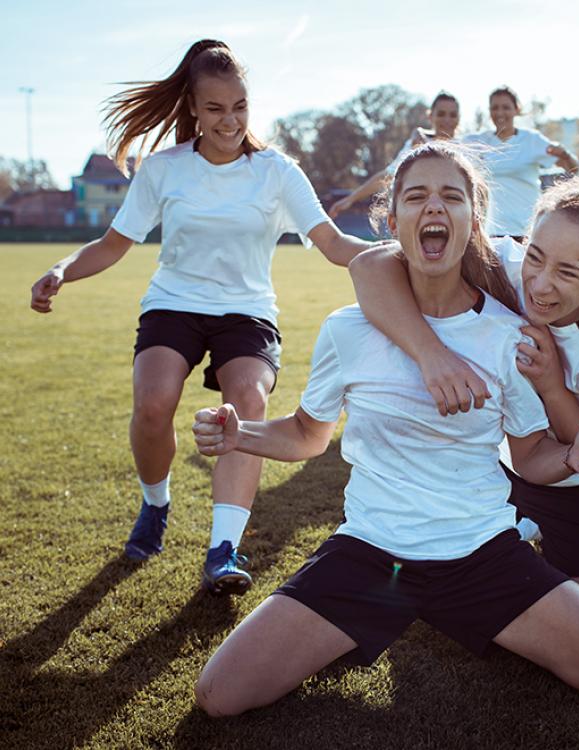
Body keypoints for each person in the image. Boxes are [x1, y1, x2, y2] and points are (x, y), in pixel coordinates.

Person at [190, 142, 579, 716]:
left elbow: (540, 455)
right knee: (219, 694)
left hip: (484, 556)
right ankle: (419, 599)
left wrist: (572, 456)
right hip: (369, 554)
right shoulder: (348, 329)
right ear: (394, 223)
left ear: (474, 220)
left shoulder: (515, 336)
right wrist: (242, 434)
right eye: (416, 196)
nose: (433, 207)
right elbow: (309, 434)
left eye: (451, 196)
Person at [29, 39, 377, 596]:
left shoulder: (277, 172)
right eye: (215, 109)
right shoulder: (165, 170)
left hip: (247, 313)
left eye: (239, 106)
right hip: (174, 304)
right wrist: (62, 270)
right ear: (193, 108)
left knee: (248, 404)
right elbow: (114, 244)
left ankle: (223, 548)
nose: (230, 120)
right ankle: (155, 504)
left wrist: (398, 257)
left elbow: (334, 243)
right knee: (154, 404)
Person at [350, 176, 579, 633]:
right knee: (456, 601)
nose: (540, 285)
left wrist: (551, 386)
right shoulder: (501, 267)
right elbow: (370, 266)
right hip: (498, 470)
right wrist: (433, 356)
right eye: (536, 257)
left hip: (578, 491)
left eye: (568, 272)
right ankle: (522, 534)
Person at [464, 86, 579, 241]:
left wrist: (564, 153)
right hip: (488, 231)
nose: (500, 113)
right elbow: (445, 145)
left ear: (516, 110)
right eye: (495, 108)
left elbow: (573, 168)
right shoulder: (477, 141)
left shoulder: (531, 140)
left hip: (525, 229)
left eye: (506, 107)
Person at [328, 92, 461, 220]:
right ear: (430, 116)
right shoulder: (415, 143)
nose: (447, 119)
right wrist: (350, 199)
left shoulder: (467, 146)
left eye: (453, 115)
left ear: (459, 118)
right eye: (441, 114)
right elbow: (388, 175)